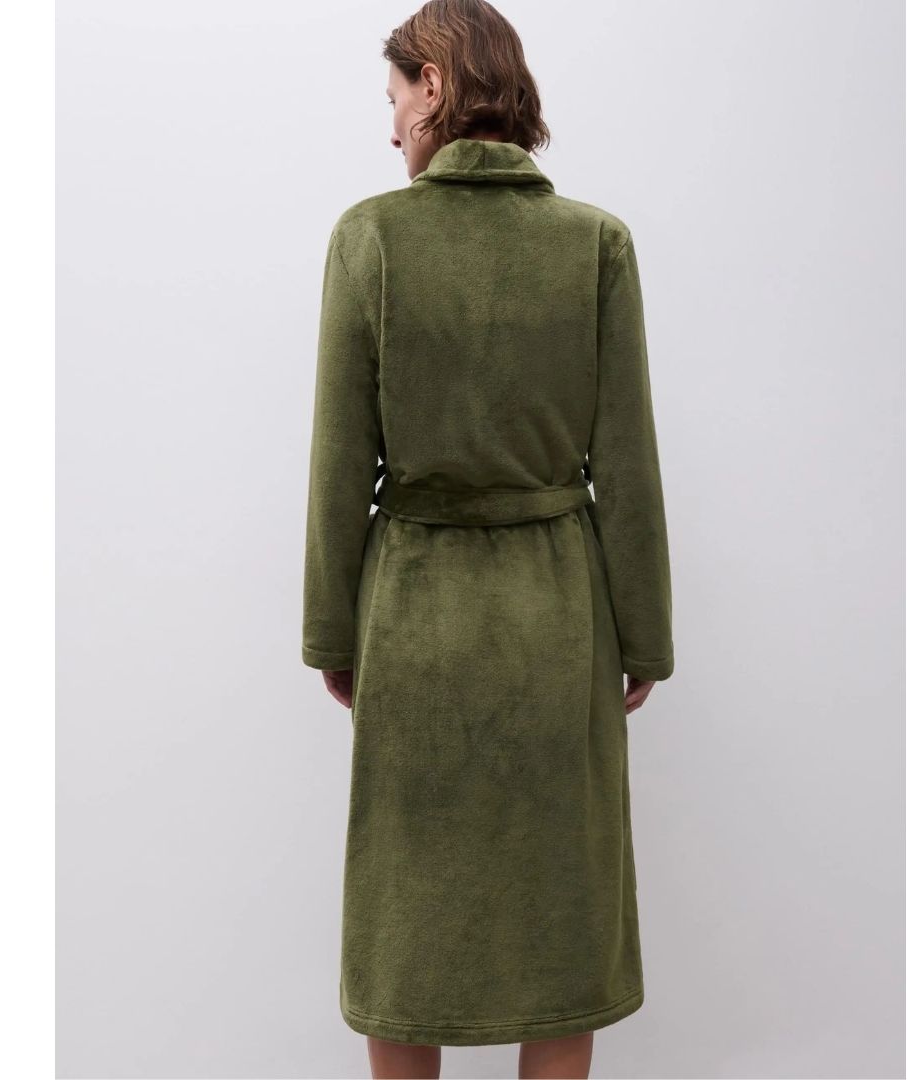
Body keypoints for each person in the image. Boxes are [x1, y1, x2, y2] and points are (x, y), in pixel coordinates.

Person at [301, 2, 675, 1077]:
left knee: (404, 915)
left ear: (434, 83)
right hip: (560, 619)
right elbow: (628, 465)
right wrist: (643, 640)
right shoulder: (595, 243)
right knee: (562, 912)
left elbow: (339, 463)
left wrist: (332, 634)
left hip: (414, 620)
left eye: (393, 99)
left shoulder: (371, 238)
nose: (389, 128)